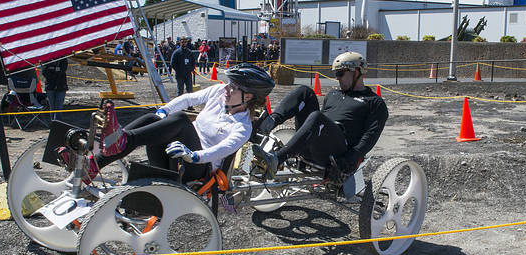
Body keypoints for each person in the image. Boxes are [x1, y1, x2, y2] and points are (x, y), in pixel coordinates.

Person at [62, 63, 275, 184]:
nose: (226, 88)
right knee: (154, 118)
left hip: (197, 168)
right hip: (175, 154)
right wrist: (164, 110)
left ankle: (118, 141)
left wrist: (194, 155)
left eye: (233, 87)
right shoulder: (220, 93)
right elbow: (188, 99)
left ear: (247, 97)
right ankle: (95, 162)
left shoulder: (243, 127)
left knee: (182, 120)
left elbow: (222, 150)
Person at [252, 51, 388, 180]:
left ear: (357, 72)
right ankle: (265, 125)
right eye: (336, 74)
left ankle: (276, 159)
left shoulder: (374, 102)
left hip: (337, 153)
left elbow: (369, 138)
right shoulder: (334, 94)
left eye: (340, 73)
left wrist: (347, 160)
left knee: (318, 118)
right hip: (315, 143)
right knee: (304, 91)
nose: (337, 78)